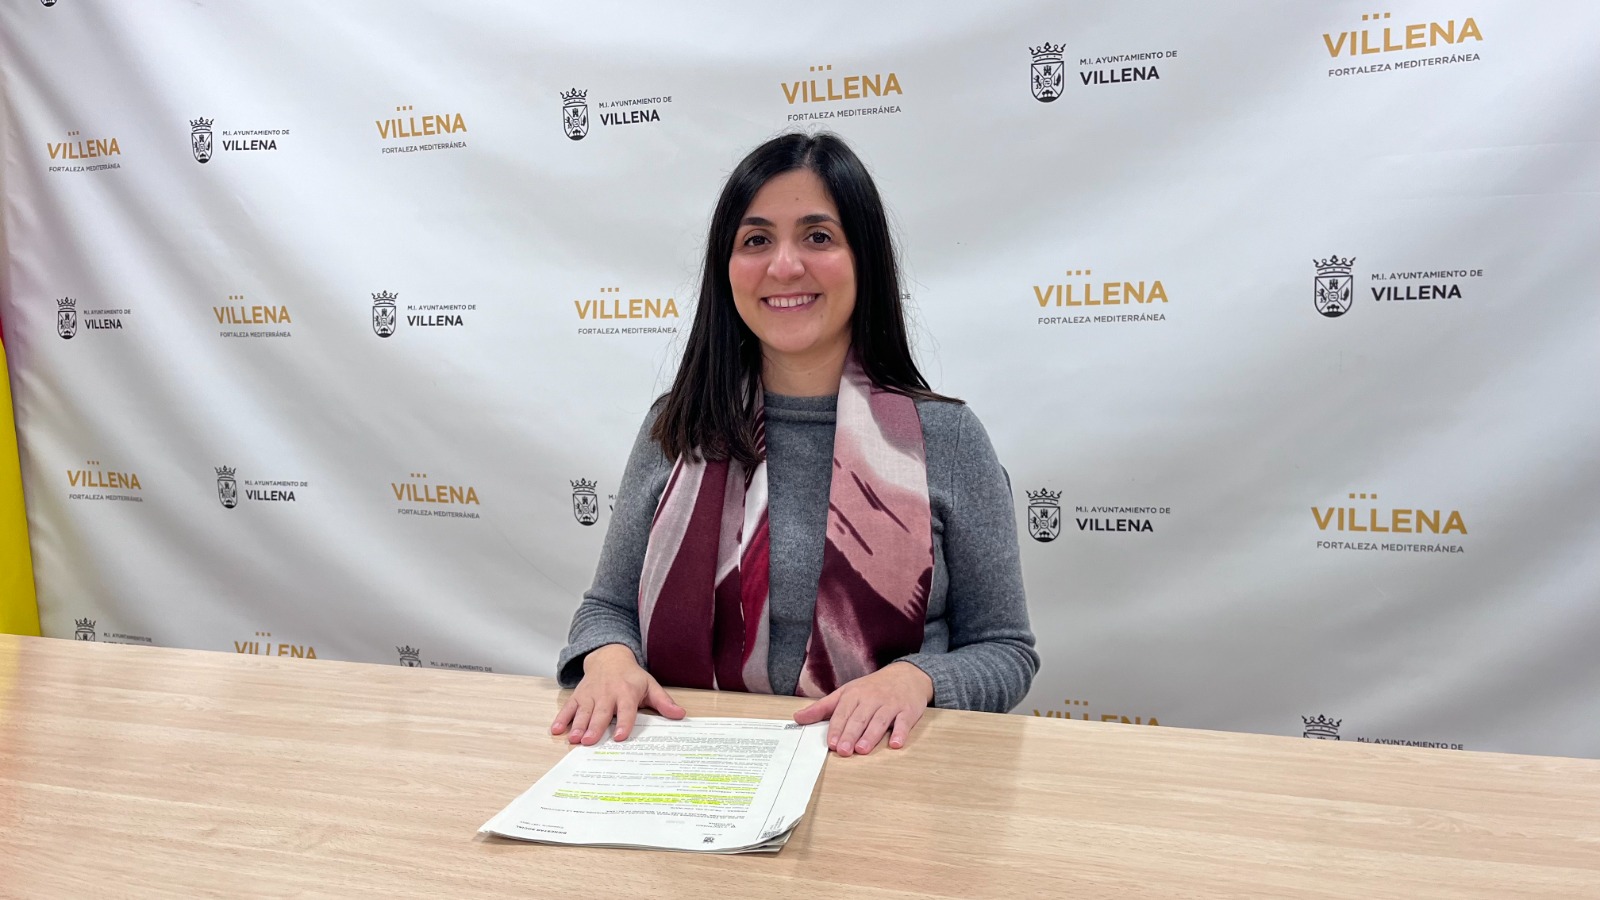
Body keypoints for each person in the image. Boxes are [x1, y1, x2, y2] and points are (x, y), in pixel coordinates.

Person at [551, 132, 1037, 757]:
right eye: (756, 240)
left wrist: (918, 679)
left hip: (882, 773)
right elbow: (606, 609)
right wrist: (610, 659)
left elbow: (1004, 648)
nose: (784, 266)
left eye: (818, 237)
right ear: (726, 268)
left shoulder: (947, 438)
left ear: (864, 259)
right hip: (691, 771)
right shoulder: (677, 426)